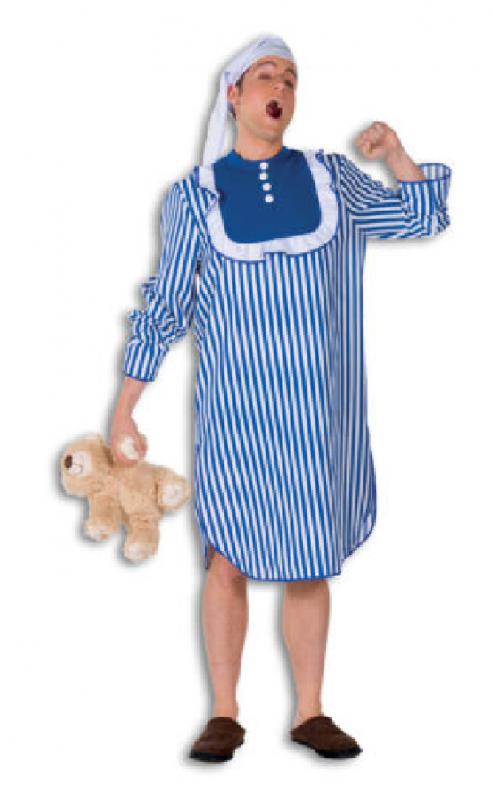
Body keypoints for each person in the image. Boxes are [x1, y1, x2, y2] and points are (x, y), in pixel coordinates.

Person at [109, 34, 452, 762]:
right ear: (234, 95)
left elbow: (419, 217)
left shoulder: (330, 178)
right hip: (236, 416)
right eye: (266, 76)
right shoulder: (196, 198)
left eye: (291, 80)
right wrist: (125, 406)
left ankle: (309, 712)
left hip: (317, 415)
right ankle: (224, 714)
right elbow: (166, 307)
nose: (281, 88)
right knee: (226, 559)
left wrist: (394, 153)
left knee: (308, 560)